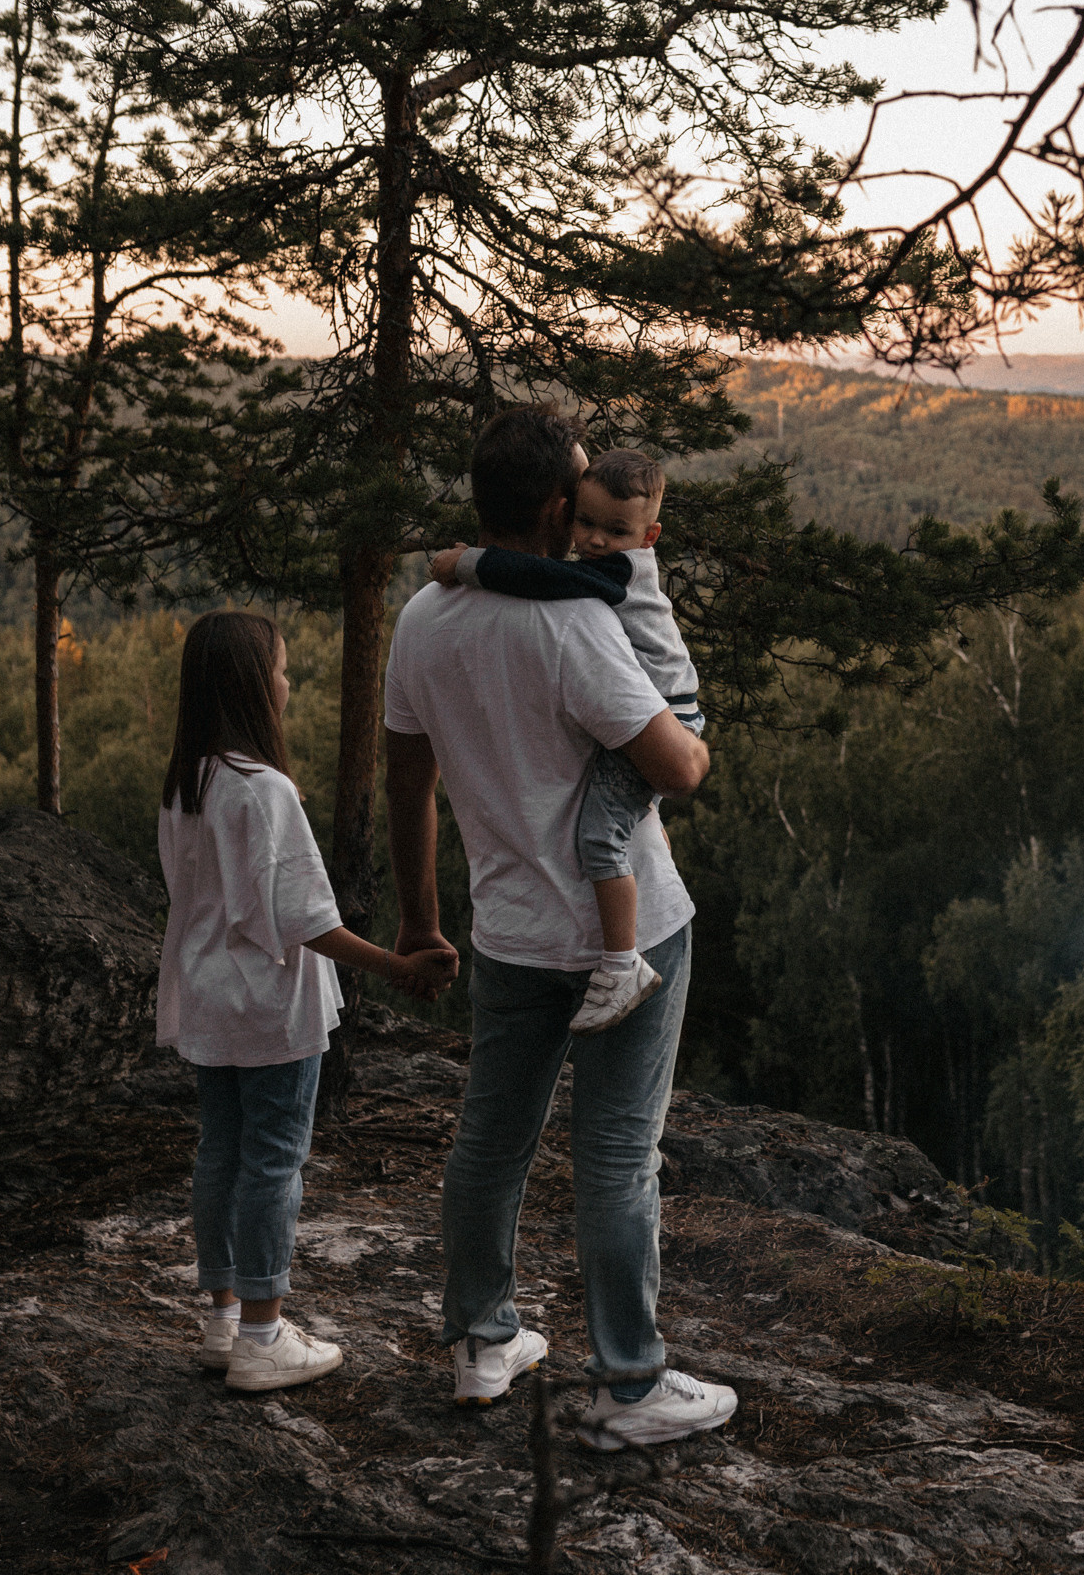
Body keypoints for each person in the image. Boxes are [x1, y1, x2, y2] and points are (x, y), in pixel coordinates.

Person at [382, 407, 739, 1443]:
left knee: (490, 1142)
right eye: (579, 494)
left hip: (508, 932)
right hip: (627, 931)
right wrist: (697, 744)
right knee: (619, 1157)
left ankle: (480, 1341)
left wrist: (420, 920)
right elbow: (677, 767)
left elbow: (407, 780)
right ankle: (630, 1385)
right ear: (553, 507)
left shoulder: (423, 619)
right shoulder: (577, 623)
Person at [156, 610, 458, 1393]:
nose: (288, 682)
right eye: (282, 670)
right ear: (254, 688)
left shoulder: (188, 784)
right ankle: (264, 1333)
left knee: (221, 1151)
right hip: (269, 1005)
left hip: (210, 997)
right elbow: (306, 919)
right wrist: (395, 965)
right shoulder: (264, 791)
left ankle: (223, 1320)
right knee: (273, 1159)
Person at [427, 447, 701, 1036]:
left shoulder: (619, 573)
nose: (596, 540)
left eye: (616, 531)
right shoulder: (606, 573)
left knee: (600, 836)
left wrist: (469, 563)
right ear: (562, 512)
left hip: (669, 716)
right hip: (652, 715)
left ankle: (622, 964)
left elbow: (547, 579)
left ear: (649, 537)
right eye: (586, 522)